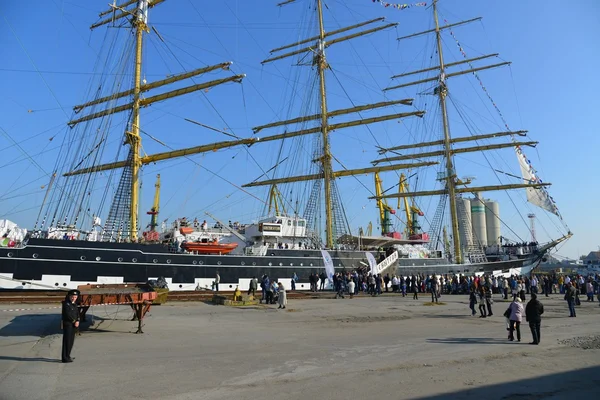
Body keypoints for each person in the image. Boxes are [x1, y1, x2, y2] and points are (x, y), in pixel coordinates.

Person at [61, 289, 80, 363]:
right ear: (69, 296)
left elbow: (77, 313)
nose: (73, 298)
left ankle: (68, 355)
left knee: (71, 341)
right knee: (67, 341)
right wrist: (74, 321)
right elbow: (67, 315)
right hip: (68, 325)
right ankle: (65, 357)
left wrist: (78, 320)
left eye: (75, 297)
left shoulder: (74, 304)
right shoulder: (66, 304)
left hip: (74, 325)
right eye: (72, 296)